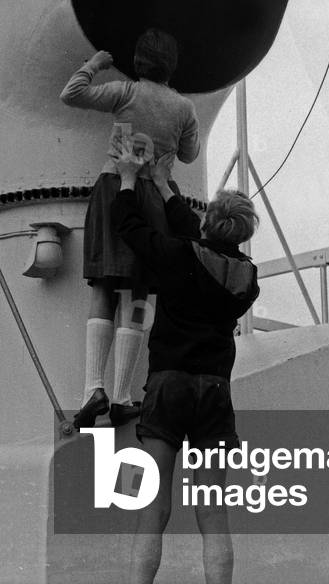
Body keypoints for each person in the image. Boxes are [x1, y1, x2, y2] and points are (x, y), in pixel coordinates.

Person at [111, 146, 259, 584]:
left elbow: (131, 228)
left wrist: (126, 179)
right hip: (214, 391)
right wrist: (163, 184)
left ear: (210, 220)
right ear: (243, 232)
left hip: (169, 385)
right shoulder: (247, 278)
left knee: (154, 507)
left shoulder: (179, 256)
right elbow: (203, 243)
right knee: (213, 511)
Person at [61, 29, 200, 428]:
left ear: (138, 62)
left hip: (113, 185)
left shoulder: (124, 92)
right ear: (171, 66)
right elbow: (189, 154)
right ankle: (122, 396)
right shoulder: (184, 108)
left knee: (104, 285)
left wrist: (95, 64)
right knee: (140, 291)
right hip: (157, 196)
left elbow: (71, 94)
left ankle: (94, 390)